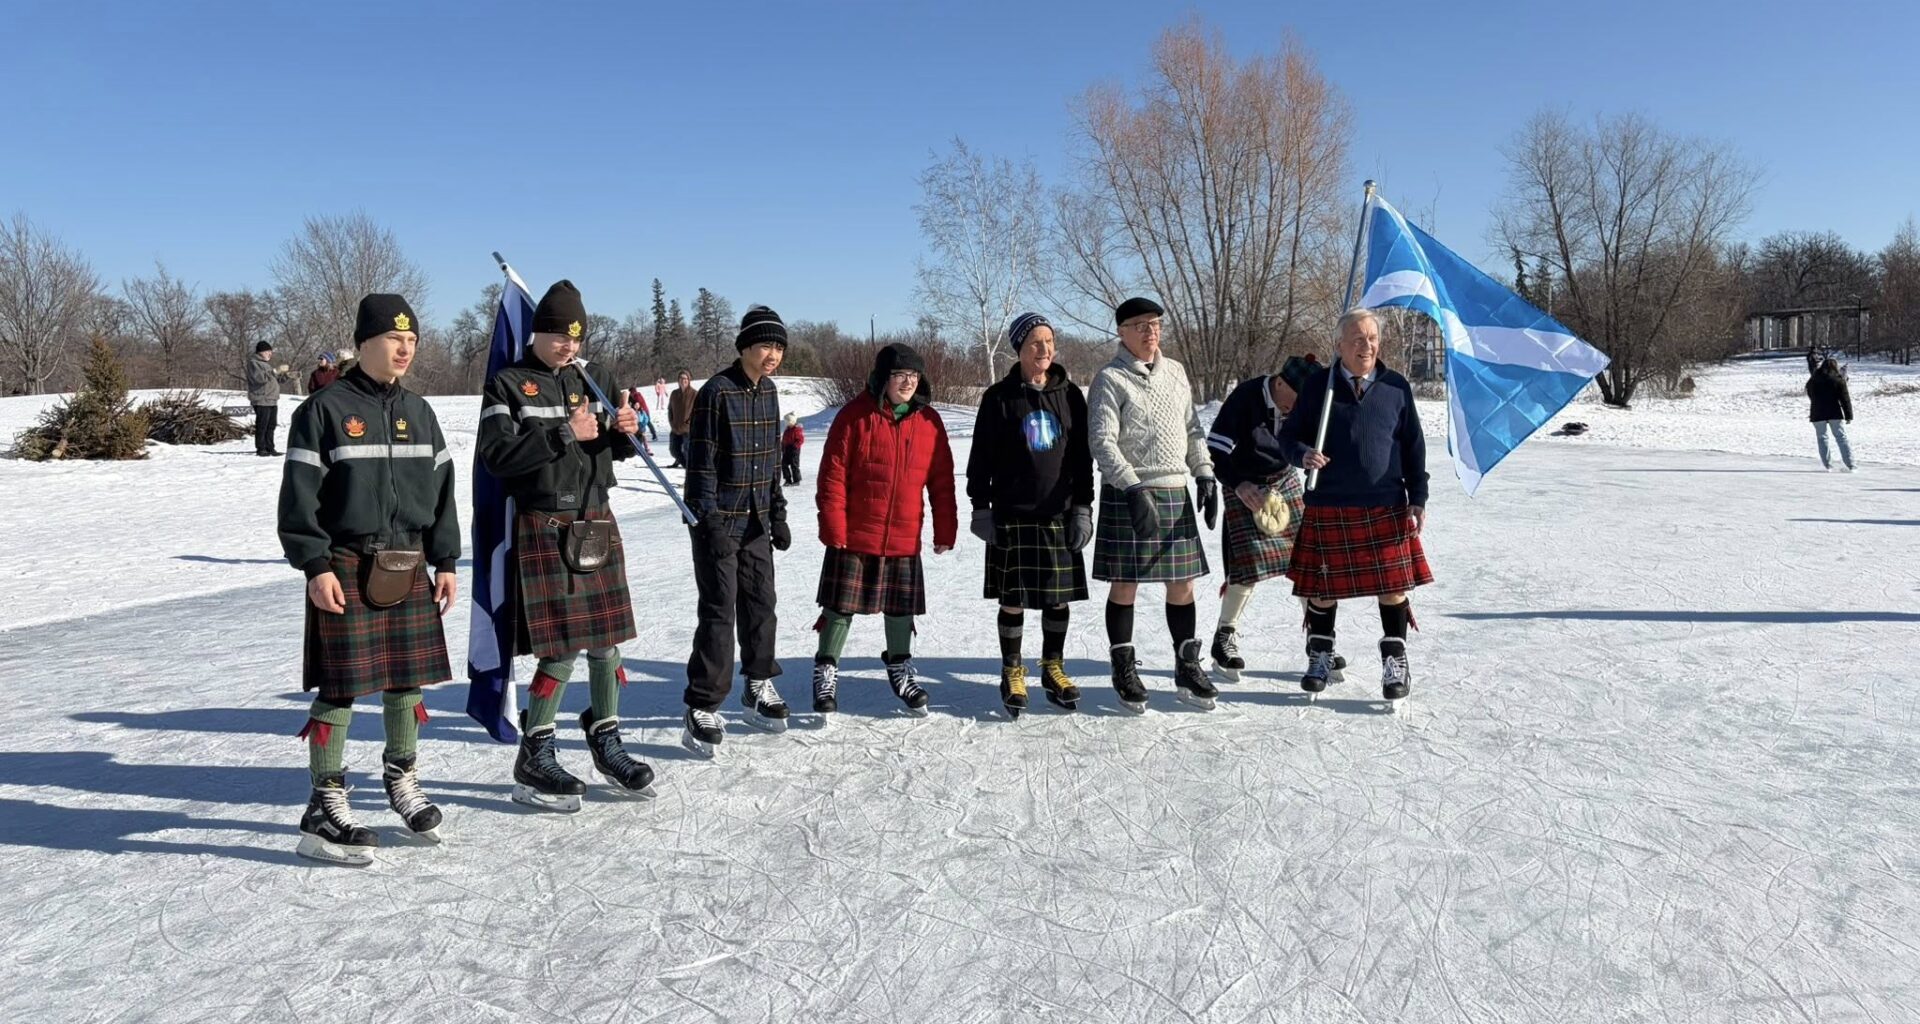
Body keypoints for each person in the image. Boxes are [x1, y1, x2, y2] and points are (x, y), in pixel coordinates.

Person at [277, 293, 460, 865]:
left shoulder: (422, 412)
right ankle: (324, 802)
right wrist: (314, 565)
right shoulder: (324, 410)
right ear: (364, 343)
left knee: (406, 681)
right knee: (341, 686)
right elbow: (298, 501)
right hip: (347, 564)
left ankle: (400, 781)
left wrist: (447, 560)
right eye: (393, 339)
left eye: (412, 341)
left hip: (409, 562)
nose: (405, 349)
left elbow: (444, 495)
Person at [476, 281, 653, 810]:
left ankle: (606, 736)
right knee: (562, 648)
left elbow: (611, 449)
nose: (568, 346)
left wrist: (624, 431)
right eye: (559, 335)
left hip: (594, 517)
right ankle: (537, 751)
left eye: (576, 337)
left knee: (607, 643)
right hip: (545, 523)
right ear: (539, 330)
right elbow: (496, 456)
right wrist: (561, 435)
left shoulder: (593, 379)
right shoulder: (509, 384)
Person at [1279, 308, 1432, 709]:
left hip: (1384, 502)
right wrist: (1303, 453)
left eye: (1372, 339)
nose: (1367, 346)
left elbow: (1413, 445)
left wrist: (1418, 496)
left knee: (1393, 588)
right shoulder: (1318, 387)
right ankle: (1320, 655)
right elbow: (1288, 437)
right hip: (1329, 502)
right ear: (1339, 345)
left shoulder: (1396, 386)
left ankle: (1395, 661)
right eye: (1358, 339)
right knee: (1323, 590)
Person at [1087, 296, 1220, 712]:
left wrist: (1204, 473)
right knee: (1124, 585)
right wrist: (1130, 487)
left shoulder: (1176, 372)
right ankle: (1123, 668)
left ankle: (1186, 665)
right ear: (1122, 332)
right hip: (1129, 492)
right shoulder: (1109, 379)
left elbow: (1193, 429)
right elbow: (1102, 442)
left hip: (1173, 490)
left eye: (1156, 323)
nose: (1152, 332)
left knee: (1182, 585)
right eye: (1142, 325)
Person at [813, 344, 958, 717]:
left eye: (913, 376)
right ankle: (826, 669)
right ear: (883, 378)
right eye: (899, 375)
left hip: (904, 534)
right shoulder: (854, 416)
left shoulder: (929, 422)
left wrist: (946, 527)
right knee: (840, 607)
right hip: (856, 531)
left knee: (900, 607)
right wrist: (833, 524)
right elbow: (833, 475)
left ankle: (899, 668)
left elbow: (942, 481)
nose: (908, 382)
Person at [967, 312, 1094, 717]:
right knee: (1013, 600)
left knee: (1058, 601)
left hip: (1058, 513)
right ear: (1019, 349)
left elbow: (1081, 459)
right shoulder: (998, 397)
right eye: (1035, 343)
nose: (1044, 350)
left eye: (1049, 342)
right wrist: (980, 507)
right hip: (1012, 513)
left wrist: (1083, 508)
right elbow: (980, 457)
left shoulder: (1071, 395)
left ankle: (1053, 667)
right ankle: (1012, 670)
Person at [681, 306, 793, 754]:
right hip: (716, 522)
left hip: (756, 521)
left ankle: (758, 683)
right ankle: (702, 703)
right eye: (766, 345)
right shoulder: (716, 392)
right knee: (719, 610)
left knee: (762, 603)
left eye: (780, 347)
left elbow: (771, 461)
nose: (773, 355)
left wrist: (778, 511)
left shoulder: (769, 394)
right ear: (745, 346)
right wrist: (709, 523)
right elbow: (701, 466)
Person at [1205, 356, 1347, 682]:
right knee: (1248, 563)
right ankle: (1224, 638)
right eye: (1296, 399)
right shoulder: (1246, 397)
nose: (1300, 407)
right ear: (1280, 383)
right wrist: (1238, 484)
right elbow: (1215, 450)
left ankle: (1318, 640)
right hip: (1244, 482)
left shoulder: (1308, 403)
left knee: (1308, 562)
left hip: (1284, 479)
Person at [1806, 357, 1855, 472]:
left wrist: (1816, 402)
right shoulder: (1838, 380)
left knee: (1822, 438)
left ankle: (1828, 465)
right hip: (1834, 412)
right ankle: (1851, 464)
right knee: (1841, 438)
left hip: (1817, 412)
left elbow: (1809, 392)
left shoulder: (1814, 379)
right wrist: (1849, 416)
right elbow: (1845, 399)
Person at [247, 341, 285, 456]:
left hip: (272, 399)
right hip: (261, 398)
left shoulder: (266, 364)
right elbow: (260, 379)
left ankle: (270, 447)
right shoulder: (254, 363)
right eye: (268, 351)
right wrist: (274, 371)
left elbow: (275, 380)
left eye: (271, 351)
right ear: (261, 352)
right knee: (262, 425)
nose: (270, 354)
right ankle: (261, 448)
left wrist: (285, 375)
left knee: (271, 425)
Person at [667, 369, 697, 468]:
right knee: (674, 451)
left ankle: (689, 471)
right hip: (675, 428)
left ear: (689, 380)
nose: (683, 380)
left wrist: (689, 423)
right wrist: (671, 422)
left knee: (687, 452)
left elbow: (698, 411)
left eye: (685, 379)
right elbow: (670, 409)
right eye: (681, 378)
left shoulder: (694, 394)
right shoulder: (674, 394)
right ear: (678, 380)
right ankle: (687, 467)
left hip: (688, 429)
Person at [780, 413, 805, 485]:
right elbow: (784, 439)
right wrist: (783, 447)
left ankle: (797, 480)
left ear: (792, 422)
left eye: (788, 422)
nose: (786, 424)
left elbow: (801, 440)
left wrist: (795, 446)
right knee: (784, 464)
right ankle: (787, 480)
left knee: (794, 465)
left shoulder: (797, 430)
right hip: (786, 450)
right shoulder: (787, 430)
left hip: (794, 450)